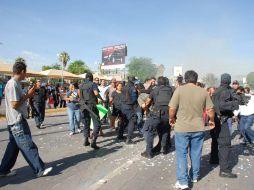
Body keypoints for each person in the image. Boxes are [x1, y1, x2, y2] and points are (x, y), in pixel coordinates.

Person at [0, 58, 52, 177]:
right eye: (26, 72)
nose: (26, 75)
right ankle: (39, 169)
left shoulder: (14, 83)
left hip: (14, 120)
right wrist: (28, 95)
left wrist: (28, 94)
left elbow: (17, 101)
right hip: (17, 121)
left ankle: (3, 169)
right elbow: (14, 104)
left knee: (13, 147)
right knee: (27, 145)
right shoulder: (13, 84)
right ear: (22, 71)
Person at [169, 70, 215, 189]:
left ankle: (183, 181)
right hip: (198, 128)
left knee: (181, 154)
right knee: (196, 153)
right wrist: (211, 120)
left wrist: (171, 118)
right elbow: (210, 110)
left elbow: (172, 108)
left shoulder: (179, 90)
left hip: (182, 128)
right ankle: (194, 176)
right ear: (196, 79)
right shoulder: (203, 92)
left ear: (185, 79)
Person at [210, 73, 242, 178]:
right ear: (228, 81)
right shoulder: (224, 91)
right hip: (221, 120)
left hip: (216, 119)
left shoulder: (218, 90)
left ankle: (214, 159)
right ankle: (224, 169)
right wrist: (235, 104)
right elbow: (223, 106)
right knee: (225, 144)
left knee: (215, 140)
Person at [141, 76, 173, 158]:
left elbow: (147, 103)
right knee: (165, 130)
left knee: (147, 130)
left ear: (158, 82)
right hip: (168, 114)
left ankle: (148, 152)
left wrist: (145, 109)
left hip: (156, 114)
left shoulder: (155, 90)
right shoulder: (171, 90)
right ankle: (163, 148)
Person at [79, 72, 104, 149]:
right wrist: (101, 99)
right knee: (97, 123)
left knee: (86, 123)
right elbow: (96, 93)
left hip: (83, 106)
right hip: (92, 106)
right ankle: (93, 142)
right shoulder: (93, 84)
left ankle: (86, 140)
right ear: (91, 77)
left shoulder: (81, 85)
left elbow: (79, 94)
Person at [118, 76, 138, 144]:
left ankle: (120, 135)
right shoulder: (132, 88)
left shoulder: (124, 87)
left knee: (123, 121)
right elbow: (134, 99)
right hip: (129, 107)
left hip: (123, 106)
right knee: (132, 121)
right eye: (134, 80)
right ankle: (129, 139)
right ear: (132, 81)